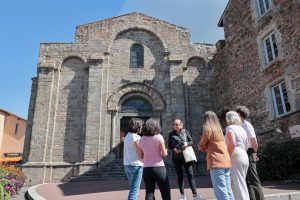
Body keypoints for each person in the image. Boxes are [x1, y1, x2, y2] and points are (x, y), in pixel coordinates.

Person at [198, 111, 234, 200]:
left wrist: (206, 148)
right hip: (226, 161)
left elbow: (201, 146)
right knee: (228, 190)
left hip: (216, 162)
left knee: (221, 191)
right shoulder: (220, 131)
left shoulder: (208, 130)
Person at [168, 119, 203, 200]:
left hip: (186, 156)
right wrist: (174, 149)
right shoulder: (171, 134)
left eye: (177, 124)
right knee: (180, 176)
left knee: (190, 175)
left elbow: (191, 141)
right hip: (176, 158)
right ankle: (182, 195)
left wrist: (187, 144)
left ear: (181, 125)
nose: (175, 126)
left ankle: (195, 195)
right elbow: (169, 145)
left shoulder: (185, 131)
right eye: (174, 124)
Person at [236, 106, 265, 200]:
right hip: (243, 152)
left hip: (249, 152)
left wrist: (254, 153)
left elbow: (254, 141)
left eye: (237, 114)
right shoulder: (239, 126)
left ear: (240, 115)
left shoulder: (247, 125)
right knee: (247, 180)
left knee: (253, 179)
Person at [139, 118, 171, 200]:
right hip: (159, 168)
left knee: (149, 193)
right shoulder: (159, 137)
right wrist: (166, 150)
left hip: (146, 168)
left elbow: (141, 156)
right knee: (165, 192)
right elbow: (164, 154)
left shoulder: (141, 139)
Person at [225, 111, 250, 200]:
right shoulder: (242, 129)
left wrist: (227, 157)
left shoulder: (229, 128)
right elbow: (247, 144)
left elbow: (232, 143)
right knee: (241, 182)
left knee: (238, 183)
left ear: (228, 119)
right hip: (244, 154)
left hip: (235, 154)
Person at [123, 118, 144, 200]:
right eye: (141, 126)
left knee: (132, 188)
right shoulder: (136, 137)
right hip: (136, 166)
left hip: (127, 165)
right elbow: (140, 153)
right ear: (138, 127)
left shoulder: (127, 136)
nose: (142, 128)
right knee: (134, 190)